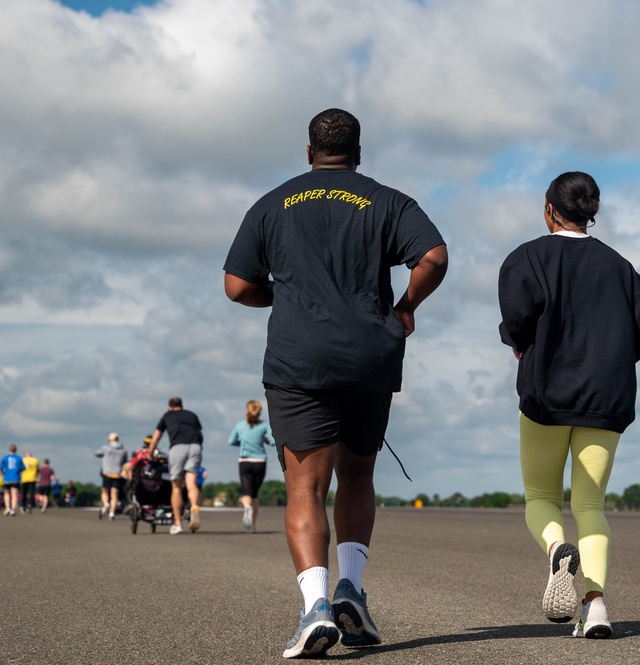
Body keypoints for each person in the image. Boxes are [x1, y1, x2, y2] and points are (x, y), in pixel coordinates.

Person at [224, 108, 448, 658]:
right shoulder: (388, 199)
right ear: (358, 153)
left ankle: (315, 607)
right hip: (369, 355)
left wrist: (284, 295)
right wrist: (404, 307)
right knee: (358, 475)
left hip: (300, 359)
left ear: (308, 152)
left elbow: (236, 286)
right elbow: (434, 256)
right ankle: (352, 587)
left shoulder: (272, 203)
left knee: (305, 487)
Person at [497, 171, 640, 638]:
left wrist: (519, 342)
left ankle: (556, 551)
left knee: (542, 497)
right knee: (591, 504)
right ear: (590, 212)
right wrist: (609, 359)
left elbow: (516, 320)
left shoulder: (527, 257)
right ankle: (596, 608)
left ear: (550, 208)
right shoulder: (620, 266)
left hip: (545, 396)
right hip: (606, 398)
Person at [147, 397, 204, 535]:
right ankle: (194, 506)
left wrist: (150, 454)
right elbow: (199, 432)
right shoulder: (192, 415)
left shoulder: (167, 416)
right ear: (181, 406)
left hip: (178, 447)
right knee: (191, 483)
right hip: (195, 446)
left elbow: (156, 438)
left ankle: (178, 523)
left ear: (169, 407)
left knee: (176, 487)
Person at [228, 399, 275, 532]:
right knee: (254, 494)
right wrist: (264, 440)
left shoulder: (240, 425)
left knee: (246, 492)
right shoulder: (264, 425)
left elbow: (231, 441)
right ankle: (253, 526)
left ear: (247, 410)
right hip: (260, 462)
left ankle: (247, 507)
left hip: (245, 461)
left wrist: (242, 443)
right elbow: (273, 441)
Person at [96, 433, 128, 520]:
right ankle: (111, 513)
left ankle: (106, 504)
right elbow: (125, 462)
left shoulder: (106, 448)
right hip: (117, 475)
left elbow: (97, 453)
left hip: (107, 474)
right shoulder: (123, 451)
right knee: (114, 495)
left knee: (105, 492)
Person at [0, 445, 25, 516]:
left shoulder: (5, 457)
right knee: (14, 495)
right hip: (16, 478)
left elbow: (0, 467)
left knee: (6, 493)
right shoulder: (19, 458)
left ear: (9, 450)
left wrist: (3, 472)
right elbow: (23, 468)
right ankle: (13, 509)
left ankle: (7, 507)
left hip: (7, 478)